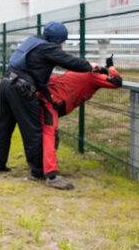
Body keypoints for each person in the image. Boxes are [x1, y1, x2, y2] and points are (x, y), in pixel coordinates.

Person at [0, 21, 92, 180]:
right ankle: (38, 171)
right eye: (62, 41)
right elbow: (70, 62)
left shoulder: (31, 41)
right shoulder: (48, 48)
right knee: (33, 129)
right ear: (58, 39)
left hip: (6, 83)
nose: (62, 44)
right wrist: (90, 66)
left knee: (4, 127)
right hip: (21, 89)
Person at [39, 57, 123, 189]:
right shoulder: (91, 76)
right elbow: (116, 81)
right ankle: (51, 175)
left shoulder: (72, 72)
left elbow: (52, 81)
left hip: (44, 100)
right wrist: (111, 67)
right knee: (50, 135)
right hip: (50, 103)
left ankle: (40, 168)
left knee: (46, 135)